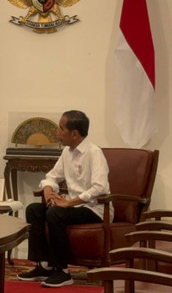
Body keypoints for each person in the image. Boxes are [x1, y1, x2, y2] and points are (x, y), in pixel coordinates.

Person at [17, 110, 112, 288]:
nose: (57, 133)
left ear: (74, 133)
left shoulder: (94, 153)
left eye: (61, 129)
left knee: (55, 213)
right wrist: (48, 193)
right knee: (33, 209)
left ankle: (63, 271)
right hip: (73, 207)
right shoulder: (67, 152)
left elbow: (100, 188)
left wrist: (68, 202)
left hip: (95, 209)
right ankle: (45, 265)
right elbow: (51, 177)